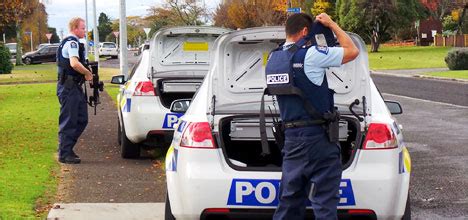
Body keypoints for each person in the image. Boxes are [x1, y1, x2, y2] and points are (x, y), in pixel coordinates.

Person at [270, 13, 359, 219]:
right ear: (304, 32)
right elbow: (352, 51)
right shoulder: (310, 55)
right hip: (318, 138)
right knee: (324, 202)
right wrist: (332, 24)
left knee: (289, 201)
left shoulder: (274, 58)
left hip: (291, 140)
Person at [56, 17, 93, 164]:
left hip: (72, 86)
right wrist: (87, 73)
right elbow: (74, 63)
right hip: (68, 87)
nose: (85, 30)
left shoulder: (72, 42)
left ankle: (67, 148)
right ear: (75, 28)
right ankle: (64, 153)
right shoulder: (72, 43)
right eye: (83, 28)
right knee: (69, 120)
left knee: (81, 119)